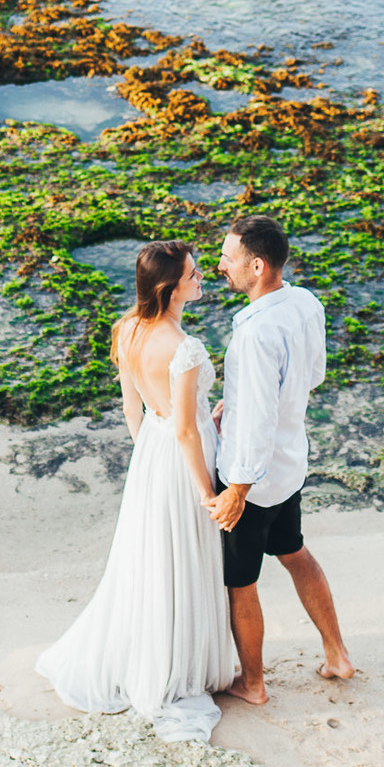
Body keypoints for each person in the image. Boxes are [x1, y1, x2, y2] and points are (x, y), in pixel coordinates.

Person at [34, 240, 240, 741]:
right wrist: (207, 490)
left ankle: (158, 653)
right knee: (185, 559)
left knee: (152, 560)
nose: (201, 280)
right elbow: (189, 431)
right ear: (170, 287)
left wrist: (152, 454)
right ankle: (180, 666)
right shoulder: (184, 347)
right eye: (194, 275)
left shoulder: (125, 330)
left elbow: (135, 410)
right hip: (185, 456)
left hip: (152, 452)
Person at [212, 215, 354, 703]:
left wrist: (238, 490)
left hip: (254, 478)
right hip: (291, 464)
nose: (219, 266)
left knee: (240, 584)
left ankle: (253, 685)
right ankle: (338, 655)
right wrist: (241, 396)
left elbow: (255, 424)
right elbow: (312, 374)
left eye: (228, 258)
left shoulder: (254, 334)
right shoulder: (305, 302)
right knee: (295, 553)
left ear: (257, 264)